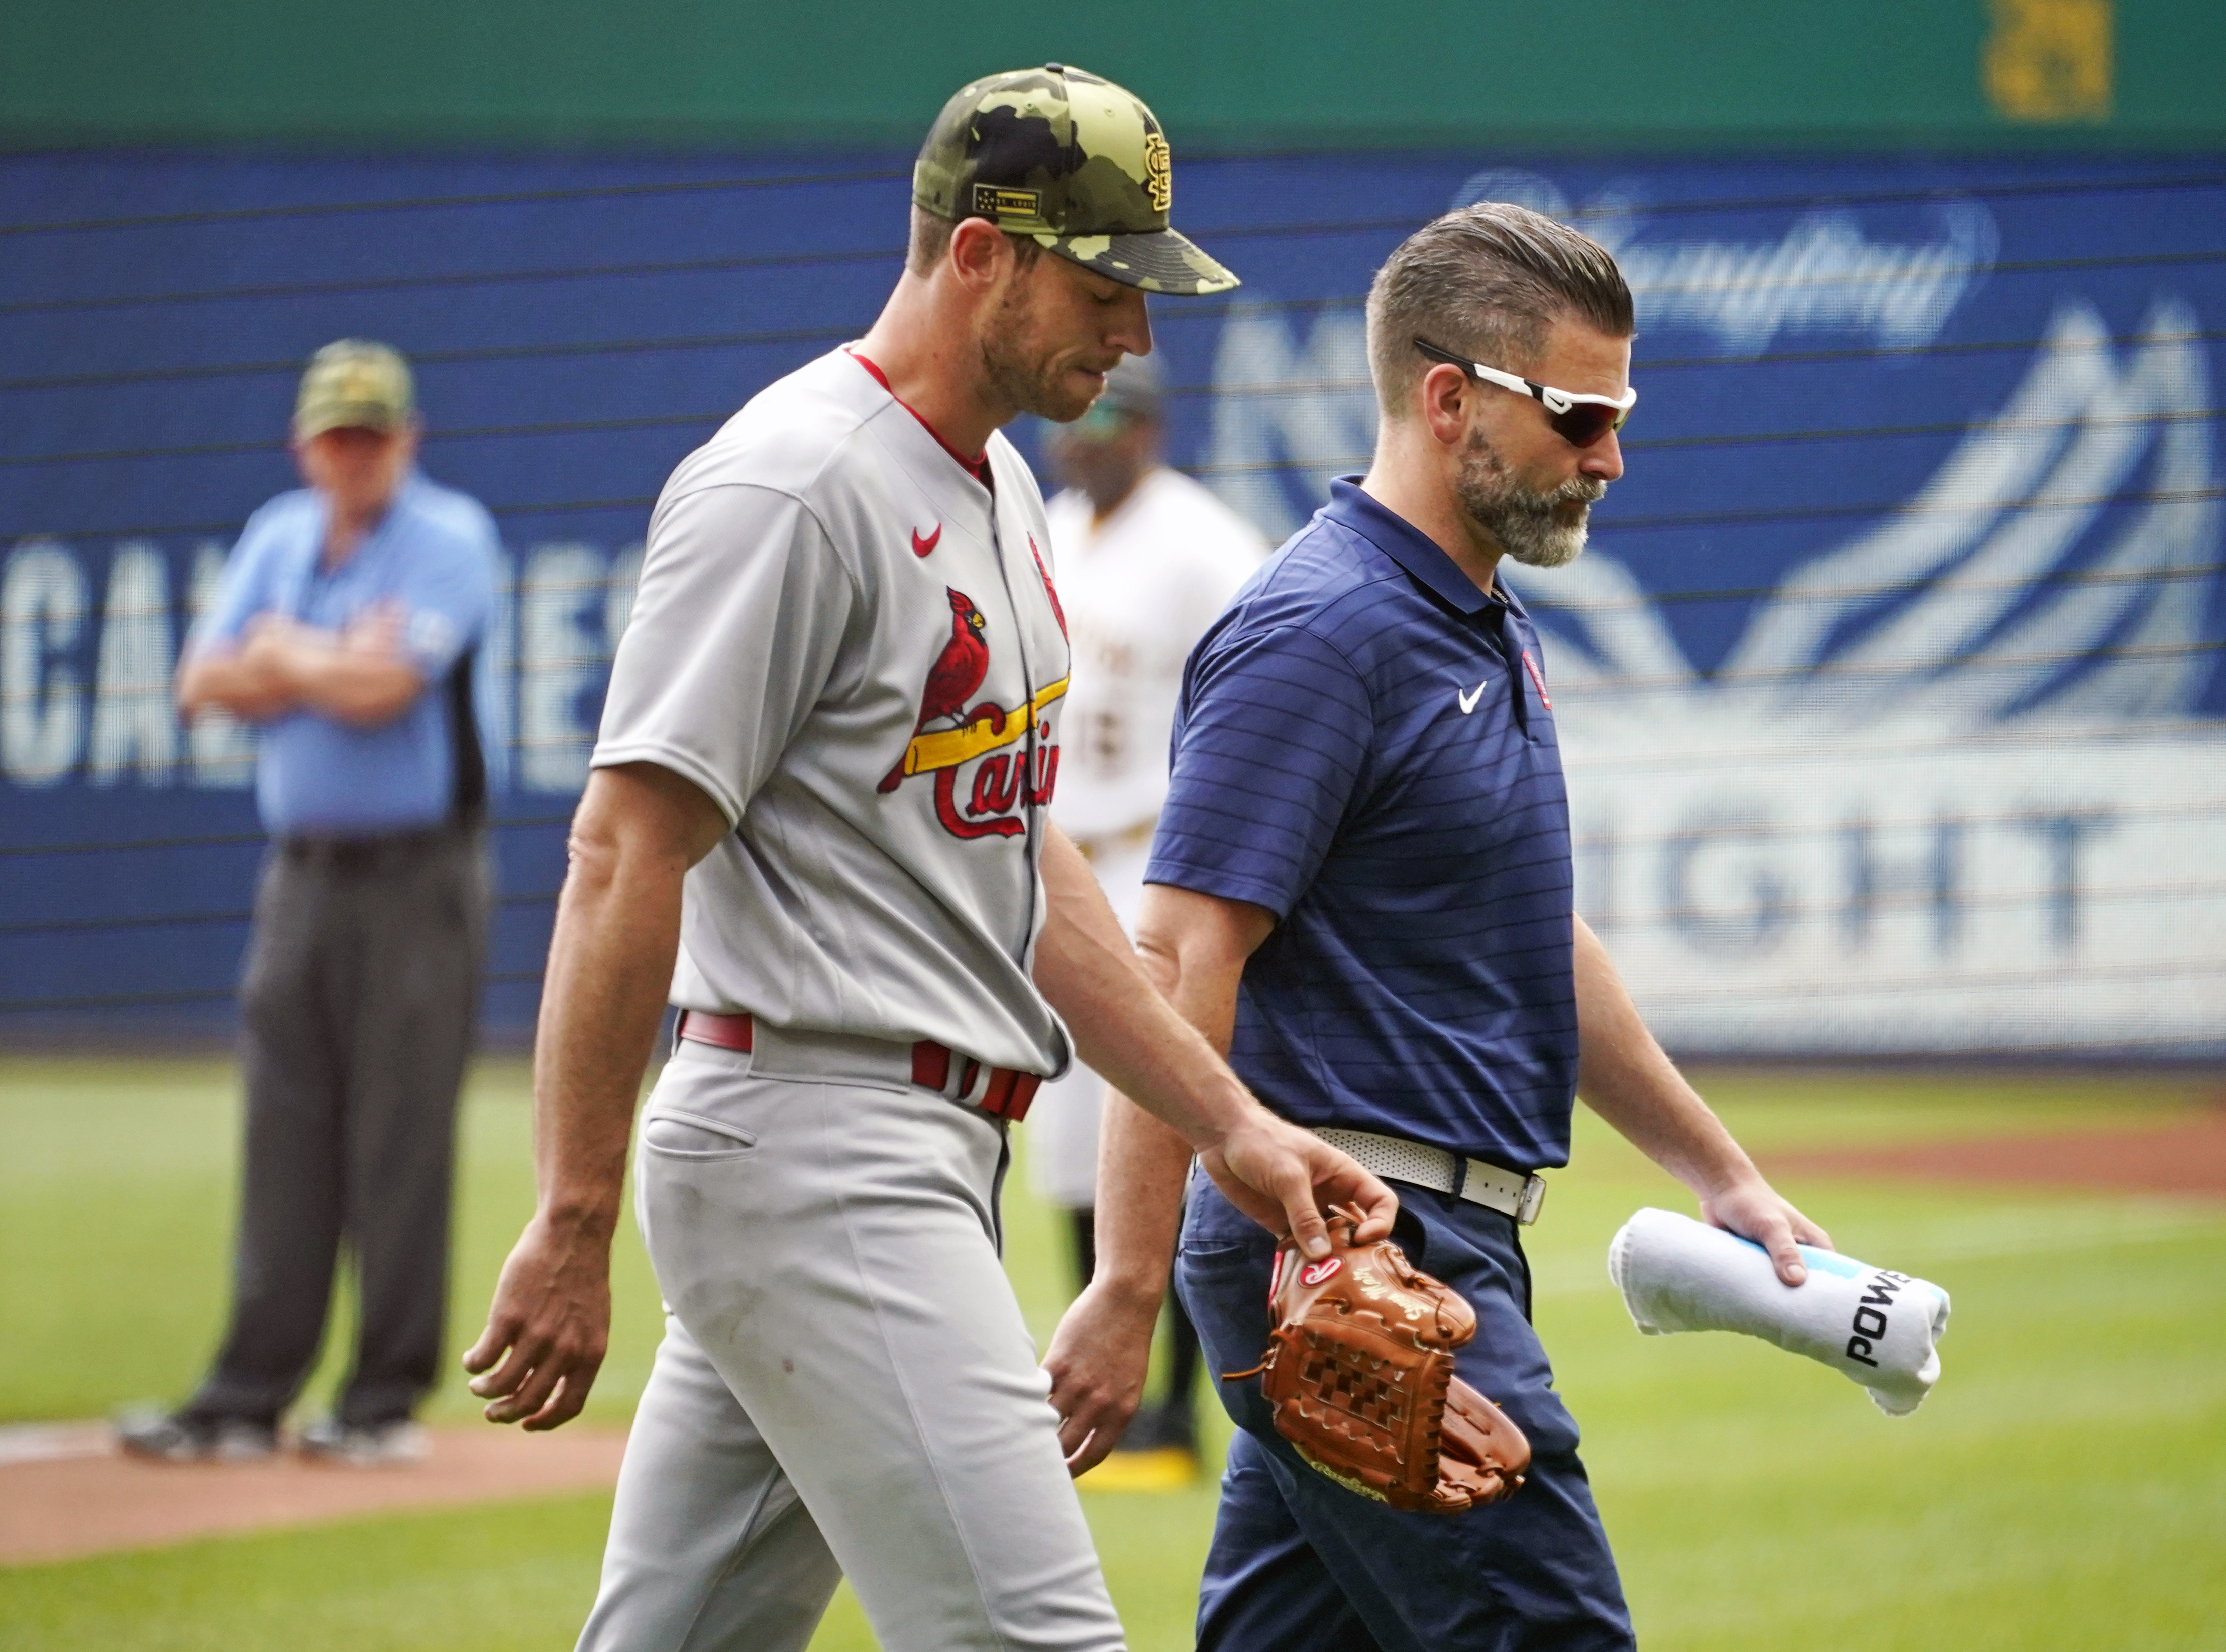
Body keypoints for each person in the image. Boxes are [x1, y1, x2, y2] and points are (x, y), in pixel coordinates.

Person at [456, 65, 1396, 1652]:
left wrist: (1227, 1119)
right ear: (979, 256)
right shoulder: (791, 483)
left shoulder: (997, 481)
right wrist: (570, 1212)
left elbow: (1016, 869)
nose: (1137, 331)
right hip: (817, 1142)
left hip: (908, 1146)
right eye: (1104, 284)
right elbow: (624, 850)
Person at [1045, 203, 1835, 1649]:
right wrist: (1123, 1283)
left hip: (1415, 1237)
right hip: (1359, 1254)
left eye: (1618, 412)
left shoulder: (1479, 619)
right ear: (1446, 397)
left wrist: (1717, 1171)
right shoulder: (1320, 630)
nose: (1609, 454)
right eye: (1579, 414)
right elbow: (1176, 959)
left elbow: (1541, 941)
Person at [117, 339, 498, 1468]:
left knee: (398, 1135)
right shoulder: (279, 533)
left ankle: (379, 1400)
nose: (356, 455)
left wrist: (282, 653)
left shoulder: (451, 537)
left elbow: (388, 692)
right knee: (282, 1131)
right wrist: (311, 654)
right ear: (305, 444)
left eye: (374, 435)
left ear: (408, 440)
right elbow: (197, 683)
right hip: (299, 875)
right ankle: (245, 1393)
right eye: (338, 436)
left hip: (418, 876)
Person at [1035, 349, 1267, 1486]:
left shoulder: (1206, 547)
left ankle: (1172, 1408)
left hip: (1156, 858)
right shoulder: (1053, 522)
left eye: (1109, 416)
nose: (1082, 433)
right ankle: (1113, 1406)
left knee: (1159, 1128)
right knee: (1074, 1146)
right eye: (1075, 410)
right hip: (1058, 865)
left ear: (1155, 426)